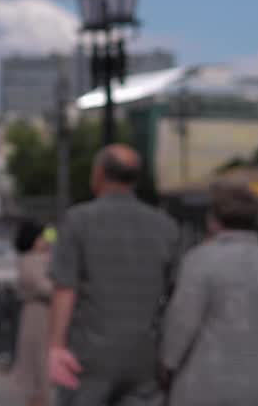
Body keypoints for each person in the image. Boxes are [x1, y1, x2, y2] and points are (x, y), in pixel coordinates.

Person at [47, 144, 179, 406]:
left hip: (89, 355)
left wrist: (56, 346)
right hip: (145, 356)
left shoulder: (78, 220)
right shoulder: (165, 225)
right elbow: (175, 294)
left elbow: (65, 288)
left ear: (98, 174)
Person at [160, 181, 258, 406]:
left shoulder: (199, 261)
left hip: (204, 385)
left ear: (213, 220)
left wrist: (167, 365)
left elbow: (182, 324)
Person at [12, 220, 54, 406]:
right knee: (38, 362)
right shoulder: (29, 260)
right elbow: (42, 286)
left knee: (44, 361)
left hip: (47, 315)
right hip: (37, 316)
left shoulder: (47, 257)